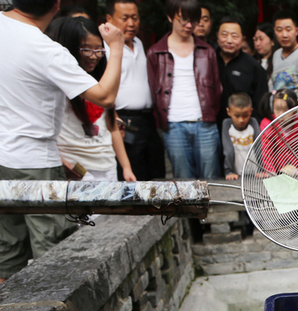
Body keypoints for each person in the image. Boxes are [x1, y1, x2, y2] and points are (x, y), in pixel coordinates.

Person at [0, 0, 124, 288]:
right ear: (56, 5)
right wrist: (115, 47)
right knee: (52, 242)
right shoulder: (46, 50)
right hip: (34, 159)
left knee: (5, 240)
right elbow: (104, 95)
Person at [49, 17, 135, 183]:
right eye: (87, 50)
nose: (94, 56)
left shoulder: (103, 83)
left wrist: (126, 167)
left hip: (107, 165)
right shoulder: (61, 83)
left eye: (99, 50)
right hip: (76, 166)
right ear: (72, 49)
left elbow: (112, 127)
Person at [147, 0, 222, 179]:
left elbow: (217, 88)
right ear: (170, 17)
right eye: (183, 20)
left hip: (205, 122)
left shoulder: (207, 51)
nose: (189, 25)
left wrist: (210, 116)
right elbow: (152, 90)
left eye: (194, 20)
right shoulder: (155, 52)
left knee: (211, 181)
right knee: (183, 183)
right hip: (173, 124)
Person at [105, 0, 165, 181]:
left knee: (156, 171)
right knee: (132, 175)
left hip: (148, 119)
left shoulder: (139, 43)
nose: (131, 23)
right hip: (123, 120)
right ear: (109, 18)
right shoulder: (105, 48)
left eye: (135, 18)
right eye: (124, 18)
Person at [216, 17, 267, 120]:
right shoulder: (209, 59)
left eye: (234, 36)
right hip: (211, 128)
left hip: (243, 129)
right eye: (224, 35)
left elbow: (261, 105)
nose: (229, 41)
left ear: (243, 39)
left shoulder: (253, 67)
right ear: (217, 36)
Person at [221, 92, 259, 180]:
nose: (241, 120)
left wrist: (262, 169)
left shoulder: (253, 123)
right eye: (237, 116)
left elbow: (259, 146)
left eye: (245, 116)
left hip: (256, 174)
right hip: (235, 175)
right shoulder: (227, 124)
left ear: (251, 111)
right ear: (228, 112)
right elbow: (227, 149)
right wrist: (228, 171)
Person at [253, 22, 276, 89]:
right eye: (256, 39)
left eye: (261, 39)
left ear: (272, 41)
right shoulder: (254, 63)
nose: (257, 43)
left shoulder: (277, 62)